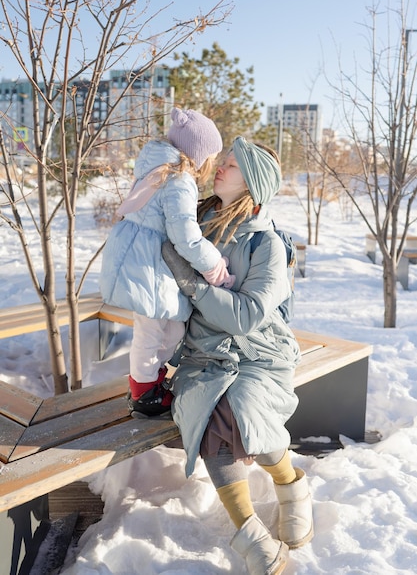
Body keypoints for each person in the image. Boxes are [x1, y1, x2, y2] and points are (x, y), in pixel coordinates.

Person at [162, 137, 313, 575]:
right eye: (222, 160)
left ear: (254, 182)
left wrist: (192, 284)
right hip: (203, 355)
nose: (220, 168)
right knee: (209, 409)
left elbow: (247, 316)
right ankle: (252, 536)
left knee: (241, 406)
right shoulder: (194, 222)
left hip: (259, 354)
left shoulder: (268, 245)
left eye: (231, 164)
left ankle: (291, 486)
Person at [100, 107, 234, 418]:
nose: (212, 164)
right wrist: (213, 264)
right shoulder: (178, 180)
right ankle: (144, 392)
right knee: (151, 330)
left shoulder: (163, 170)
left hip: (148, 260)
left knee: (171, 328)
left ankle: (151, 378)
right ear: (198, 153)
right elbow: (185, 235)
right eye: (212, 157)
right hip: (146, 264)